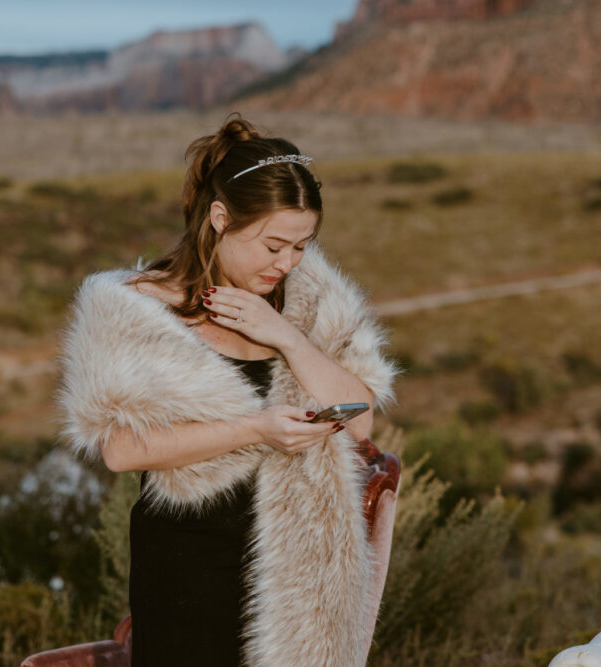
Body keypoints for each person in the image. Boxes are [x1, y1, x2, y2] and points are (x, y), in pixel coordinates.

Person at [58, 114, 396, 666]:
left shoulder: (309, 304)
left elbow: (360, 421)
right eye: (272, 246)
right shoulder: (135, 308)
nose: (286, 263)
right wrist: (255, 429)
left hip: (299, 569)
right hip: (187, 564)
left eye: (301, 246)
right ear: (220, 218)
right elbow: (120, 450)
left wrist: (285, 335)